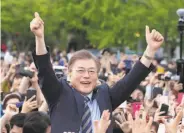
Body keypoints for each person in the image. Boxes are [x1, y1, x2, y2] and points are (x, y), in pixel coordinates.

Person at [30, 12, 164, 133]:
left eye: (91, 71)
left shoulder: (105, 94)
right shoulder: (58, 93)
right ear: (69, 73)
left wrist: (150, 50)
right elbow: (44, 70)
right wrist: (39, 38)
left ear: (97, 75)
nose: (86, 75)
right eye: (81, 71)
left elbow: (131, 81)